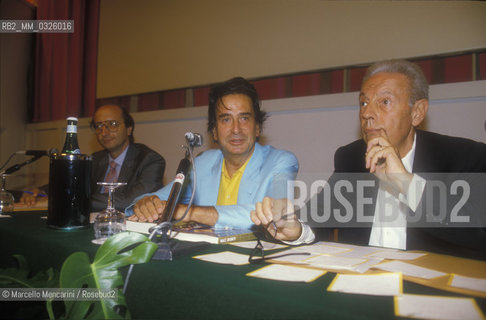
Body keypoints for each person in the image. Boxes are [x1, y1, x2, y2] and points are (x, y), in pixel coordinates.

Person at [252, 59, 486, 259]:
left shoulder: (461, 157)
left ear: (417, 112)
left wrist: (405, 182)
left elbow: (478, 232)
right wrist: (295, 229)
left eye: (384, 102)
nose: (367, 113)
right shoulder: (352, 158)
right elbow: (315, 219)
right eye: (363, 102)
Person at [127, 77, 310, 240]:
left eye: (244, 118)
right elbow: (162, 198)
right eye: (226, 120)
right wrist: (145, 203)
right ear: (214, 131)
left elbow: (274, 214)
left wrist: (187, 212)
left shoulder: (282, 162)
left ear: (257, 128)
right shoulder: (201, 163)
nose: (236, 129)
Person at [18, 104, 166, 212]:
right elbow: (71, 184)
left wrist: (64, 200)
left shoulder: (150, 160)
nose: (104, 132)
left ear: (129, 129)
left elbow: (130, 200)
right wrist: (38, 192)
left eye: (112, 124)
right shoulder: (95, 159)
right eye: (98, 126)